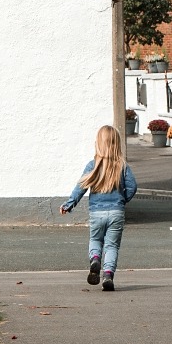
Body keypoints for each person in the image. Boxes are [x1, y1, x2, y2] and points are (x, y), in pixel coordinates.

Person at [60, 124, 138, 291]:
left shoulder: (93, 165)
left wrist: (69, 204)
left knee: (96, 240)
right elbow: (132, 187)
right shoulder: (122, 166)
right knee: (112, 246)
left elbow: (80, 187)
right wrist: (122, 200)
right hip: (116, 212)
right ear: (116, 144)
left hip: (97, 213)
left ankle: (95, 258)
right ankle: (108, 275)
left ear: (98, 143)